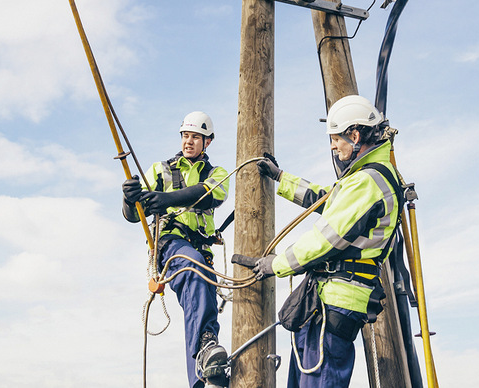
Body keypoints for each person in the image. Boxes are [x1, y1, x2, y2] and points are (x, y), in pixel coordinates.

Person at [241, 95, 402, 388]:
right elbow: (326, 199)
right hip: (326, 302)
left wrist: (274, 264)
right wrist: (281, 178)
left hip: (335, 303)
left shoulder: (367, 181)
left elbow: (326, 240)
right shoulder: (363, 178)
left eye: (335, 138)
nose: (332, 145)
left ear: (354, 135)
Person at [121, 111, 230, 388]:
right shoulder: (161, 170)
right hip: (172, 245)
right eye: (185, 136)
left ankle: (205, 376)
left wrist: (166, 199)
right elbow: (135, 215)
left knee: (202, 301)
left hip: (201, 250)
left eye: (195, 137)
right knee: (192, 270)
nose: (188, 142)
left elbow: (210, 194)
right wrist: (128, 198)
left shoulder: (216, 173)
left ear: (208, 142)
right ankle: (206, 348)